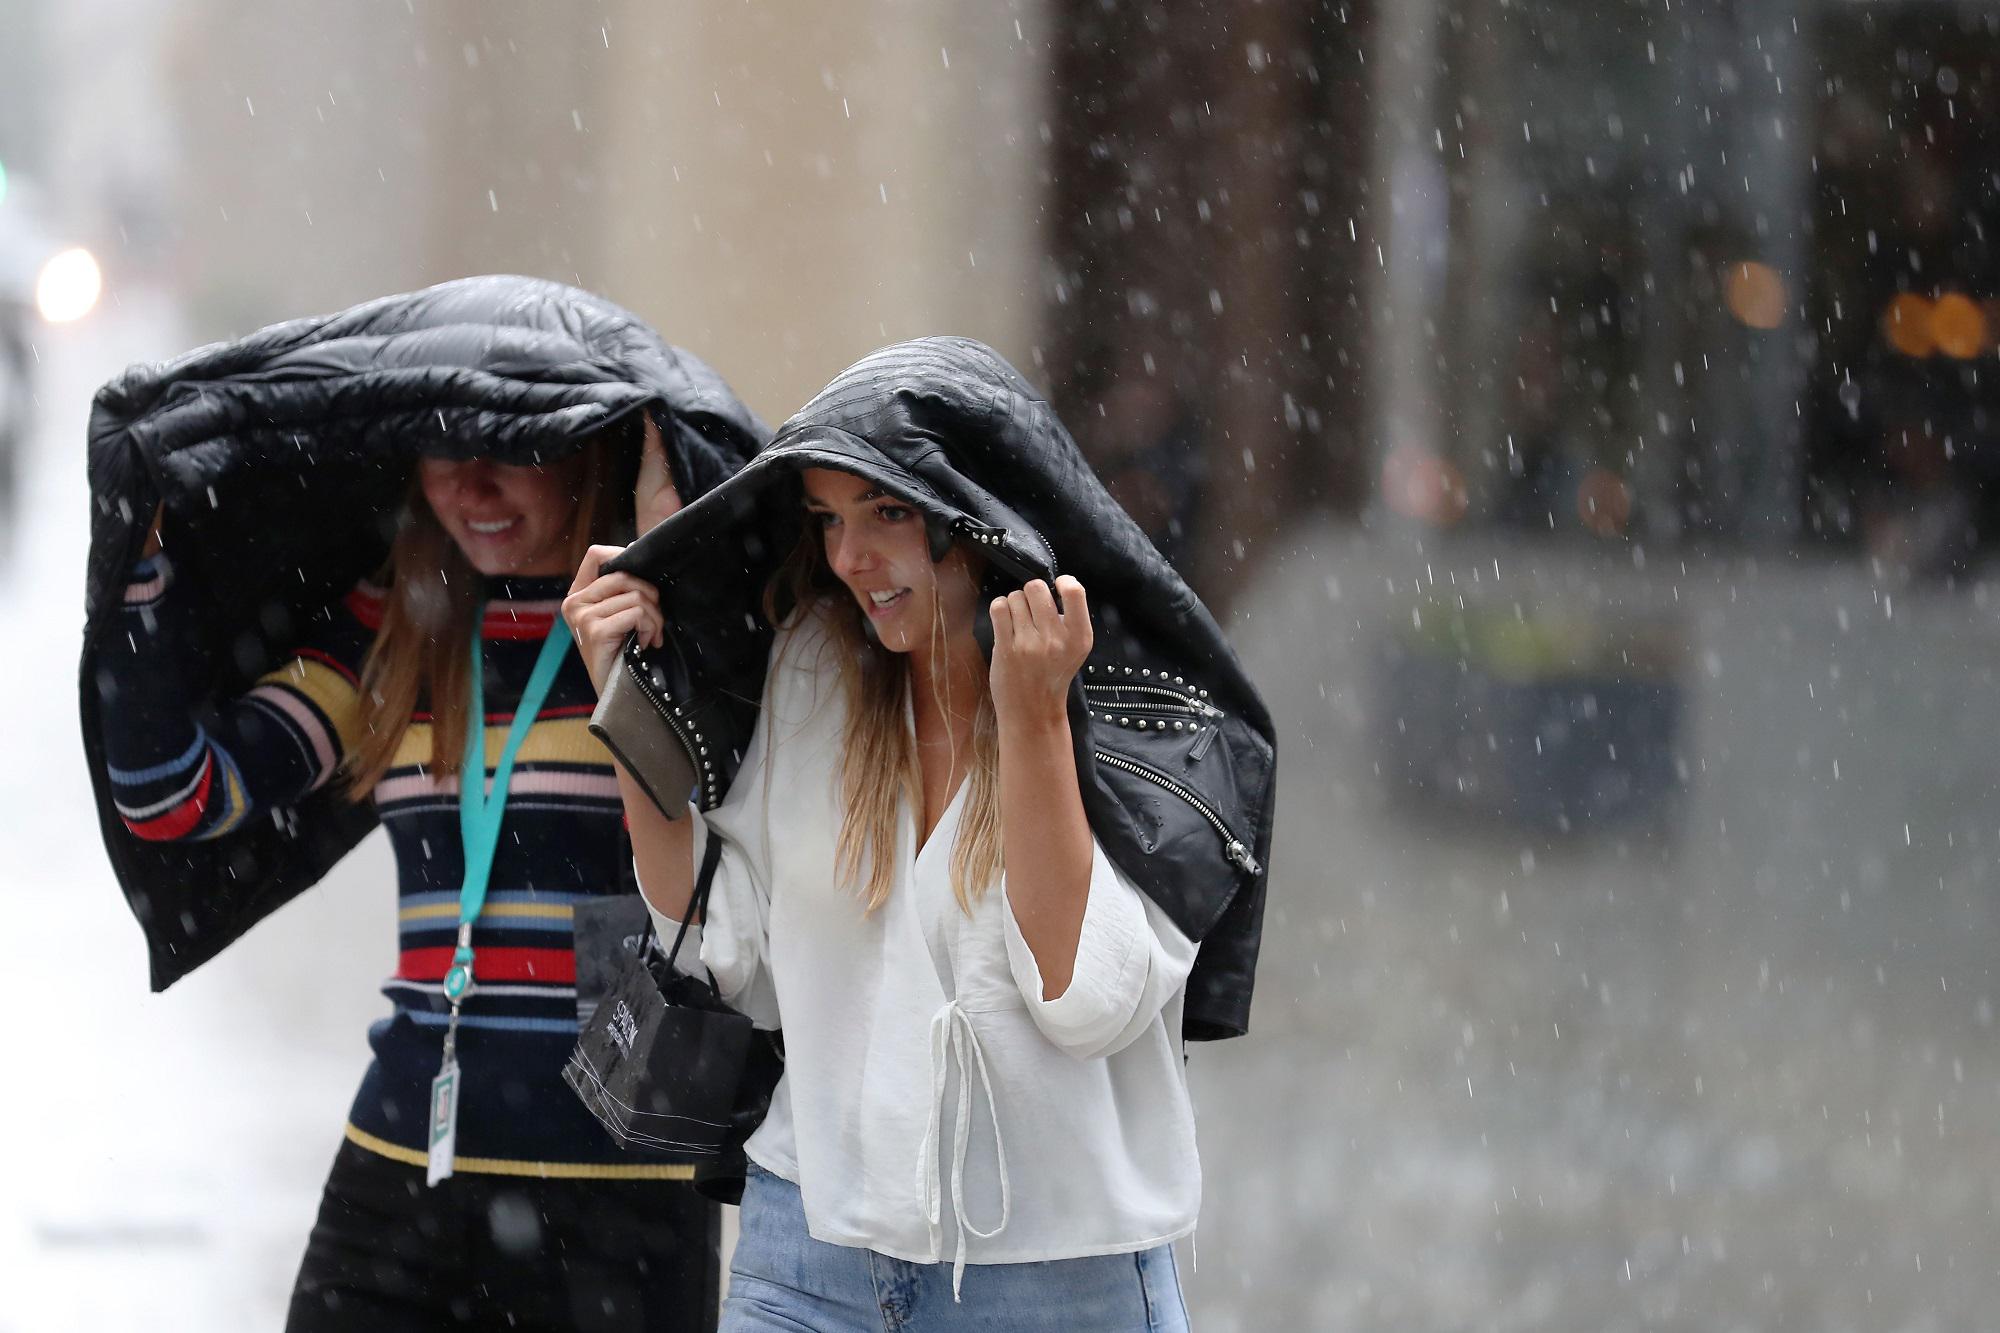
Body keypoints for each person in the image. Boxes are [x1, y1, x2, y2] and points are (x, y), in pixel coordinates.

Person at [563, 338, 1277, 1329]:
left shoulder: (1130, 712)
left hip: (1051, 1282)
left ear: (976, 520)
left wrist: (1030, 721)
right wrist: (626, 704)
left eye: (887, 513)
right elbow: (724, 950)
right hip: (803, 1253)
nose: (850, 558)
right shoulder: (812, 667)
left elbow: (1088, 1002)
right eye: (826, 520)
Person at [95, 415, 726, 1330]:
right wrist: (139, 560)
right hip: (403, 1162)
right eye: (443, 453)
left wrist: (667, 567)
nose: (471, 485)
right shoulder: (394, 617)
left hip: (625, 1187)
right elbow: (174, 796)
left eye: (509, 450)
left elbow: (730, 869)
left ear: (587, 450)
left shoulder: (674, 613)